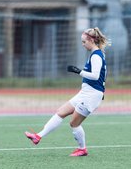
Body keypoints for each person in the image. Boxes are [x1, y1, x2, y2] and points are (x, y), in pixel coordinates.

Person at [25, 27, 110, 156]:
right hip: (85, 92)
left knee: (74, 123)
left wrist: (78, 71)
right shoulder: (95, 54)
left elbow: (96, 76)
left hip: (92, 95)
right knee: (60, 112)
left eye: (84, 42)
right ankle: (38, 136)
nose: (83, 45)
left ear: (92, 40)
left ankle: (82, 149)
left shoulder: (97, 56)